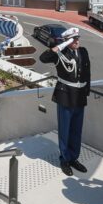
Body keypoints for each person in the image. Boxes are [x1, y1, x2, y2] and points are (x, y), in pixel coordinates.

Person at [39, 27, 91, 176]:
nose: (77, 41)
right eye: (73, 39)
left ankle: (74, 157)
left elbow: (87, 73)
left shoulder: (83, 51)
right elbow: (43, 58)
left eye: (77, 38)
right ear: (67, 41)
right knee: (65, 130)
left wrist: (87, 91)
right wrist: (61, 45)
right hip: (65, 95)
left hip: (80, 95)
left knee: (76, 130)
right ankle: (65, 159)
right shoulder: (59, 53)